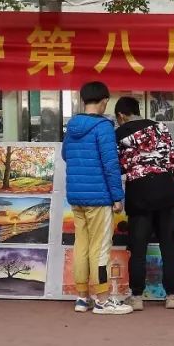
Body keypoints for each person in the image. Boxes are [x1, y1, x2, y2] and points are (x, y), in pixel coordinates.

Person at [63, 81, 129, 315]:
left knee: (80, 246)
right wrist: (117, 197)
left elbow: (65, 155)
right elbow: (111, 165)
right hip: (99, 198)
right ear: (103, 102)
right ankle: (102, 300)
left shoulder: (72, 127)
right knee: (100, 249)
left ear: (83, 101)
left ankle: (82, 298)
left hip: (76, 197)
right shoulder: (103, 127)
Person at [115, 96, 174, 310]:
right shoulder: (161, 128)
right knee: (168, 246)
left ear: (121, 116)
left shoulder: (120, 134)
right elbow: (173, 161)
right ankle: (171, 296)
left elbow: (120, 166)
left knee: (139, 248)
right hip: (164, 190)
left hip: (139, 192)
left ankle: (136, 297)